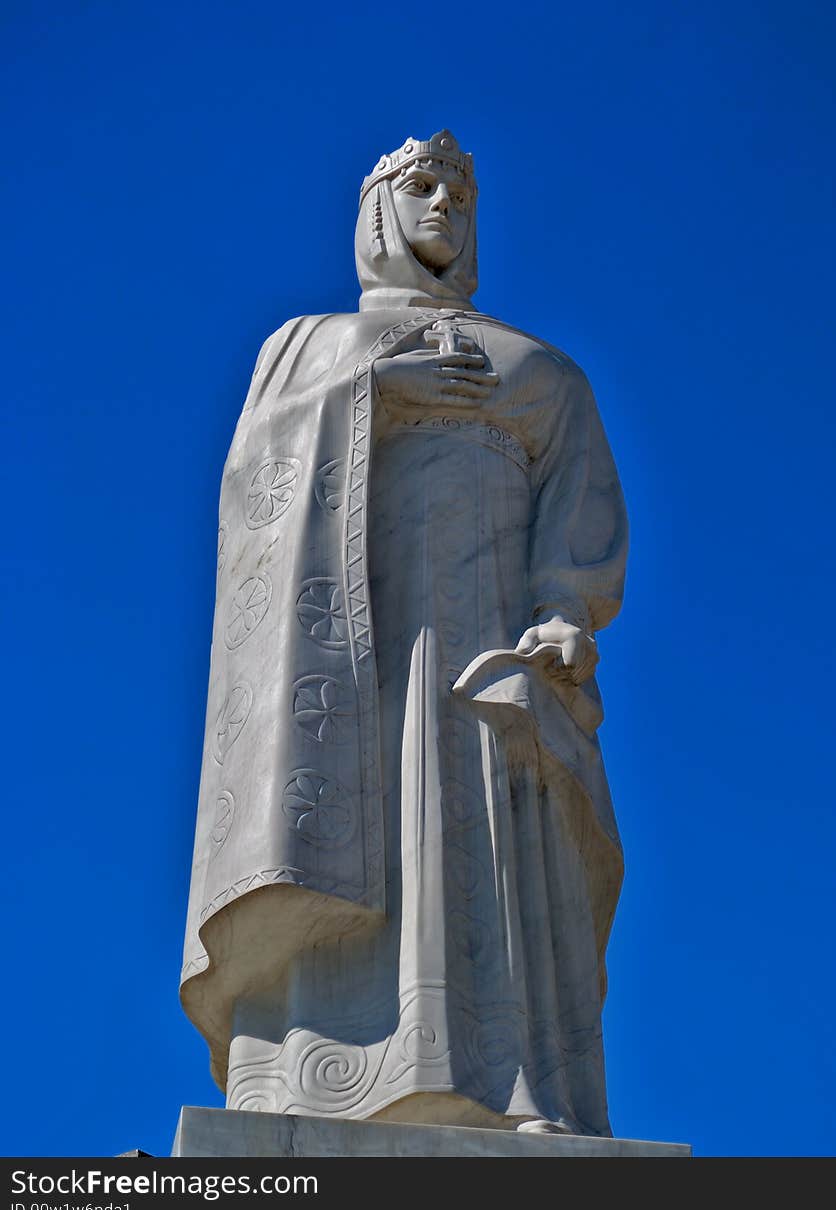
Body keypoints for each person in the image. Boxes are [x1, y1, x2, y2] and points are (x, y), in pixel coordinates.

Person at [181, 130, 628, 1136]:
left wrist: (562, 617)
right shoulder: (310, 346)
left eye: (459, 194)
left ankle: (518, 1090)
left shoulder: (540, 372)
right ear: (378, 207)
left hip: (485, 662)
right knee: (360, 834)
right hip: (349, 666)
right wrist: (371, 394)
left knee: (490, 843)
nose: (442, 208)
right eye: (419, 187)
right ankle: (311, 1082)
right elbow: (254, 481)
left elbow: (579, 517)